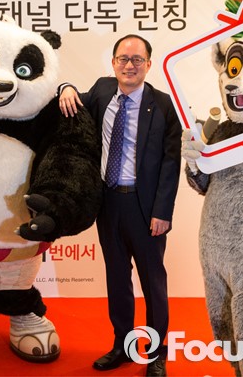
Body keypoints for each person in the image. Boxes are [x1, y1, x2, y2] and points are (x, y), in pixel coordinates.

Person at [58, 34, 182, 376]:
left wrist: (162, 212)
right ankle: (122, 345)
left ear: (148, 65)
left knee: (152, 282)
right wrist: (66, 87)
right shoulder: (101, 91)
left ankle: (156, 353)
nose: (129, 65)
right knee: (116, 278)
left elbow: (171, 163)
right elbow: (73, 99)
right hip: (108, 203)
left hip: (146, 209)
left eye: (137, 60)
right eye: (123, 59)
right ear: (113, 63)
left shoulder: (163, 105)